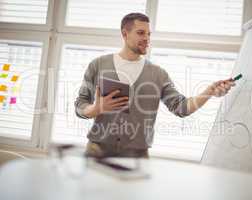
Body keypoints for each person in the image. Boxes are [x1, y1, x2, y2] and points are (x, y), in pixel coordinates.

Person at [75, 12, 235, 158]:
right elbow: (80, 105)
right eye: (140, 33)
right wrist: (96, 109)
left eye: (148, 34)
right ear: (124, 33)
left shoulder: (158, 74)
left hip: (137, 156)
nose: (146, 38)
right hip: (97, 151)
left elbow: (181, 107)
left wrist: (209, 92)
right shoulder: (98, 65)